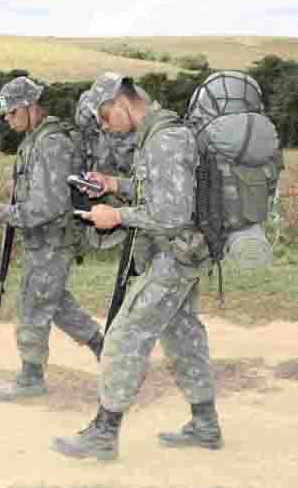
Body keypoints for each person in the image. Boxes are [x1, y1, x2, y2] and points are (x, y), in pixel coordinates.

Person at [52, 72, 223, 461]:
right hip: (184, 251)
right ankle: (206, 424)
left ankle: (103, 432)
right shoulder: (158, 134)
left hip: (175, 253)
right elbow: (158, 190)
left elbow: (172, 214)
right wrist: (112, 184)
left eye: (104, 116)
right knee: (183, 335)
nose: (103, 125)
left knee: (125, 334)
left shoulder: (164, 139)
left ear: (122, 102)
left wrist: (117, 217)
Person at [0, 76, 105, 401]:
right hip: (43, 238)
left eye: (11, 113)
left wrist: (7, 212)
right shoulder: (35, 139)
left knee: (33, 303)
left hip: (53, 237)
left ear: (28, 106)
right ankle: (104, 348)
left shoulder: (51, 143)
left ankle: (31, 378)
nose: (7, 119)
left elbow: (50, 204)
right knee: (53, 301)